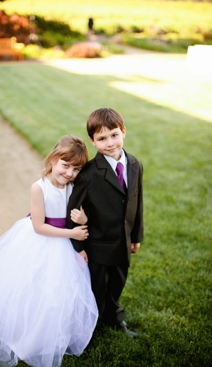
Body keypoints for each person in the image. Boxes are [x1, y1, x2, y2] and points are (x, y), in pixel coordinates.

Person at [0, 136, 98, 367]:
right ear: (53, 159)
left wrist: (83, 220)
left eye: (76, 169)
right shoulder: (39, 188)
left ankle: (46, 335)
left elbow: (79, 214)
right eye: (65, 165)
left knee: (57, 292)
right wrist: (73, 235)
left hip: (65, 245)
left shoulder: (74, 187)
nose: (69, 173)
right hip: (41, 241)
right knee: (31, 287)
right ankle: (19, 334)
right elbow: (39, 227)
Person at [67, 107, 144, 338]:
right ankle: (88, 326)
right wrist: (79, 247)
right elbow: (72, 209)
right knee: (97, 287)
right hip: (97, 244)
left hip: (123, 240)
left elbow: (137, 201)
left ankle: (114, 317)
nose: (110, 143)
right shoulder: (88, 173)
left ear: (123, 132)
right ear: (92, 141)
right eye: (102, 139)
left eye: (114, 135)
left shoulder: (134, 165)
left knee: (118, 282)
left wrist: (136, 236)